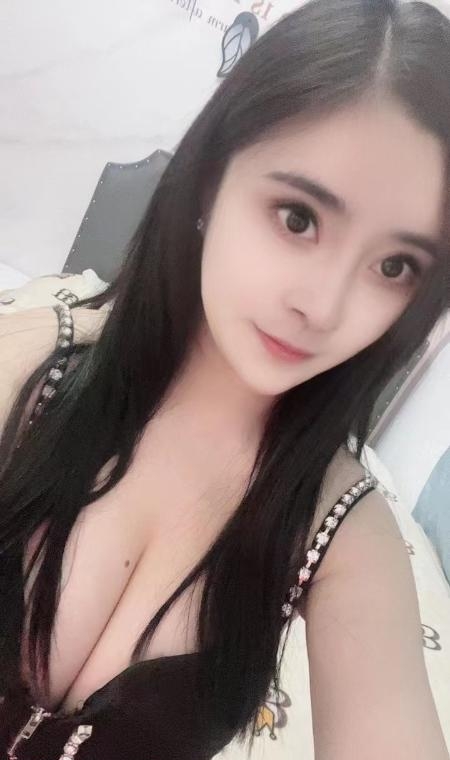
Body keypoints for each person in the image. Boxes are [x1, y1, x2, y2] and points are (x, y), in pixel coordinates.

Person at [0, 0, 449, 757]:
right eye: (298, 218)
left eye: (395, 266)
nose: (323, 307)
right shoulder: (31, 368)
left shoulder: (347, 539)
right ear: (211, 179)